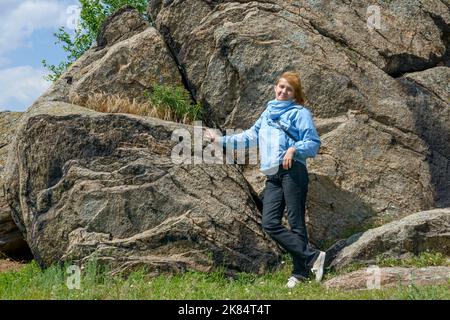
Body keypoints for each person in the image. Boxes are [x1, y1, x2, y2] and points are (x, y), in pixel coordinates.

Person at [204, 71, 325, 288]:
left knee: (296, 223)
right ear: (275, 88)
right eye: (281, 87)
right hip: (273, 175)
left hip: (292, 170)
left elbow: (313, 142)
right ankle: (313, 256)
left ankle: (299, 273)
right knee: (269, 223)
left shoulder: (300, 113)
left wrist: (294, 149)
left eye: (289, 89)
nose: (283, 91)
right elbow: (249, 136)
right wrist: (219, 139)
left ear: (294, 94)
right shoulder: (268, 113)